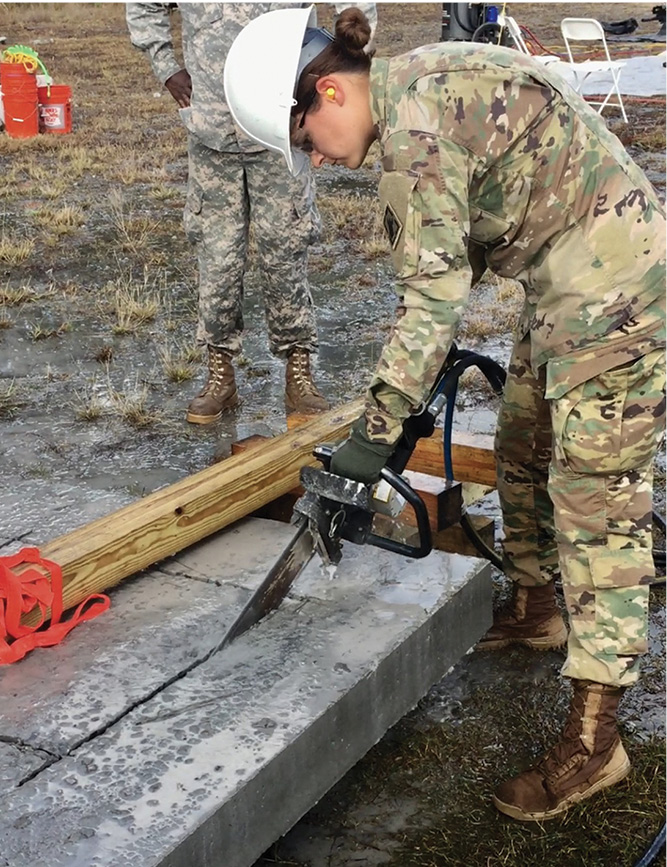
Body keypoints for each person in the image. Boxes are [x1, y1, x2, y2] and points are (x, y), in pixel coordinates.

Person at [223, 6, 666, 822]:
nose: (314, 159)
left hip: (612, 283)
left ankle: (596, 742)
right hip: (568, 264)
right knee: (523, 438)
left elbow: (430, 307)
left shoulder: (413, 133)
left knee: (596, 499)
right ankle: (537, 607)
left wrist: (373, 436)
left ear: (326, 91)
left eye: (304, 140)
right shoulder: (409, 88)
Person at [126, 3, 376, 423]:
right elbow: (142, 5)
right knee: (217, 257)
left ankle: (299, 371)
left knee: (285, 252)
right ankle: (220, 374)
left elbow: (362, 7)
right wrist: (165, 66)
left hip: (285, 129)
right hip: (212, 132)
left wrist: (348, 62)